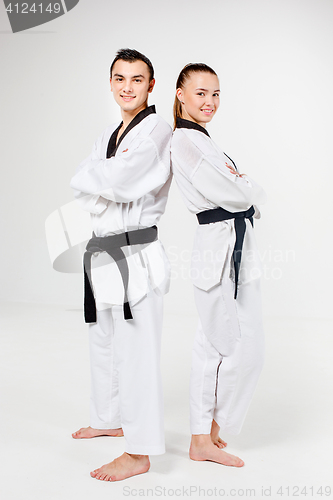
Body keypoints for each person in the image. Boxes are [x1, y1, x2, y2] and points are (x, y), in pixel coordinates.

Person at [70, 48, 172, 481]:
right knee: (104, 342)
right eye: (119, 79)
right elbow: (85, 179)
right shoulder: (111, 133)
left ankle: (140, 451)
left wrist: (104, 180)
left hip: (136, 254)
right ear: (111, 83)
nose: (127, 87)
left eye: (136, 79)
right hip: (103, 251)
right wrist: (104, 181)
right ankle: (108, 417)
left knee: (136, 353)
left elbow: (115, 180)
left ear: (151, 85)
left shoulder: (156, 130)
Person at [171, 63, 267, 467]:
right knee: (216, 346)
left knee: (246, 346)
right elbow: (237, 191)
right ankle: (200, 438)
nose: (209, 102)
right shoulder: (186, 142)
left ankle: (212, 429)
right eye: (200, 93)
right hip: (216, 250)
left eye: (215, 94)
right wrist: (244, 188)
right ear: (180, 95)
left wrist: (243, 190)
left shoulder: (207, 141)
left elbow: (242, 192)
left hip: (236, 247)